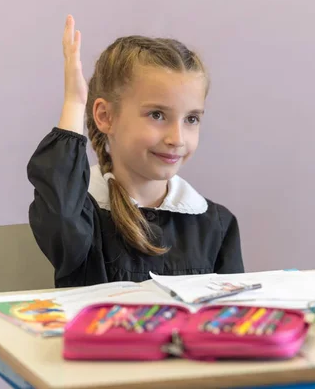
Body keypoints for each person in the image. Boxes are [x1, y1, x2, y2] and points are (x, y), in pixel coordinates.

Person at [27, 15, 244, 288]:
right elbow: (59, 215)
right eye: (157, 115)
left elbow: (233, 318)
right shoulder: (82, 214)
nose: (176, 138)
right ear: (105, 116)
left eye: (191, 119)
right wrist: (74, 103)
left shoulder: (216, 225)